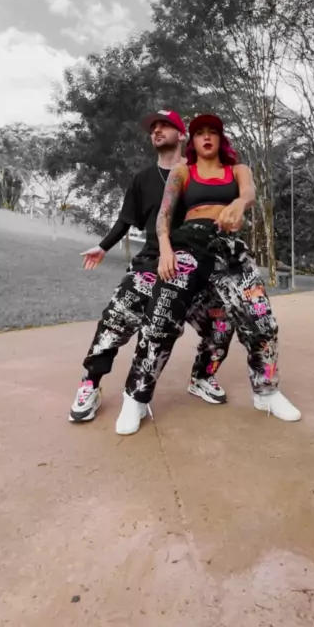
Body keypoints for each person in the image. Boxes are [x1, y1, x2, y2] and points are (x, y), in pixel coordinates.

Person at [115, 114, 301, 435]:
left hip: (229, 249)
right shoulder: (183, 171)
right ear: (193, 141)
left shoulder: (238, 170)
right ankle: (136, 396)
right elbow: (164, 214)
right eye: (199, 132)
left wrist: (238, 204)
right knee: (161, 320)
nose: (206, 137)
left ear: (220, 138)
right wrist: (166, 249)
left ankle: (266, 393)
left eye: (212, 132)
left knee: (261, 320)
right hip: (188, 247)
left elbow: (249, 193)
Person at [69, 109, 235, 424]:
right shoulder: (142, 179)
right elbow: (125, 219)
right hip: (151, 264)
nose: (156, 131)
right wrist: (103, 246)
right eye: (153, 128)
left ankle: (202, 376)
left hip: (198, 270)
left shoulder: (200, 175)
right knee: (114, 319)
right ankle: (90, 384)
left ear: (182, 135)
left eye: (165, 126)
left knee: (222, 324)